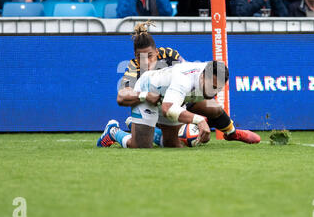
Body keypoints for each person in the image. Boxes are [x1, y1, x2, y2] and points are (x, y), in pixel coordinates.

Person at [97, 22, 261, 148]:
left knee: (213, 109)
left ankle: (231, 133)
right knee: (140, 146)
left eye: (150, 56)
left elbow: (186, 79)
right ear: (135, 56)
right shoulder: (133, 68)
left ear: (158, 52)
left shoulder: (171, 55)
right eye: (141, 57)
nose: (147, 61)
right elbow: (121, 97)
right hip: (151, 100)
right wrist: (145, 95)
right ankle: (114, 132)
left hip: (177, 96)